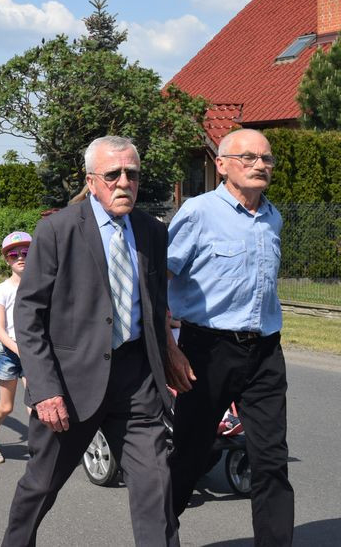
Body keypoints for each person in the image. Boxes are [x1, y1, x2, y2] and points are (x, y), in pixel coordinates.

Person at [1, 136, 177, 547]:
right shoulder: (58, 229)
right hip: (69, 386)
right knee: (41, 486)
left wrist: (169, 355)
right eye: (113, 174)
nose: (123, 183)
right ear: (91, 180)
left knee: (156, 488)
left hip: (136, 382)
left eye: (131, 174)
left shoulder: (152, 231)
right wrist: (44, 389)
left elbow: (154, 307)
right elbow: (28, 315)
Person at [165, 128, 293, 546]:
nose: (260, 165)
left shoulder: (272, 216)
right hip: (207, 350)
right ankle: (159, 532)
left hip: (265, 352)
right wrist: (169, 346)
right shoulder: (198, 212)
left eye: (267, 159)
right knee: (192, 455)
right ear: (222, 165)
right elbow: (160, 279)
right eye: (249, 157)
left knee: (271, 460)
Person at [0, 231, 32, 464]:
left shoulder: (41, 287)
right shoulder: (1, 290)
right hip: (9, 353)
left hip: (33, 351)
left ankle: (42, 446)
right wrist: (18, 348)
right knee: (6, 407)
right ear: (7, 260)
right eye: (13, 254)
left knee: (37, 404)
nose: (20, 257)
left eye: (26, 252)